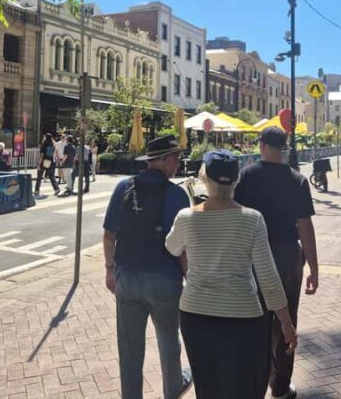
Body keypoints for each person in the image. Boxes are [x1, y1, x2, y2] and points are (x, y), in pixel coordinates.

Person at [166, 150, 297, 399]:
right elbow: (268, 278)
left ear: (204, 178)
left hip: (196, 314)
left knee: (207, 386)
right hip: (243, 317)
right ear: (236, 180)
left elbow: (171, 247)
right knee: (243, 386)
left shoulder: (186, 218)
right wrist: (286, 323)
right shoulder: (252, 219)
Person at [102, 135, 193, 399]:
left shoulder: (123, 187)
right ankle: (172, 389)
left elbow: (109, 235)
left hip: (127, 278)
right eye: (176, 158)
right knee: (168, 342)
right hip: (165, 280)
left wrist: (110, 269)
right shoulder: (177, 195)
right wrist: (190, 280)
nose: (178, 163)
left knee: (129, 349)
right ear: (165, 160)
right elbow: (183, 248)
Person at [234, 127, 318, 399]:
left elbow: (236, 219)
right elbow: (305, 227)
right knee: (287, 320)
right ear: (284, 148)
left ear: (261, 145)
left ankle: (255, 383)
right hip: (287, 257)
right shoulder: (297, 180)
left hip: (254, 255)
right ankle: (280, 386)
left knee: (256, 321)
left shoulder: (246, 176)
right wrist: (314, 268)